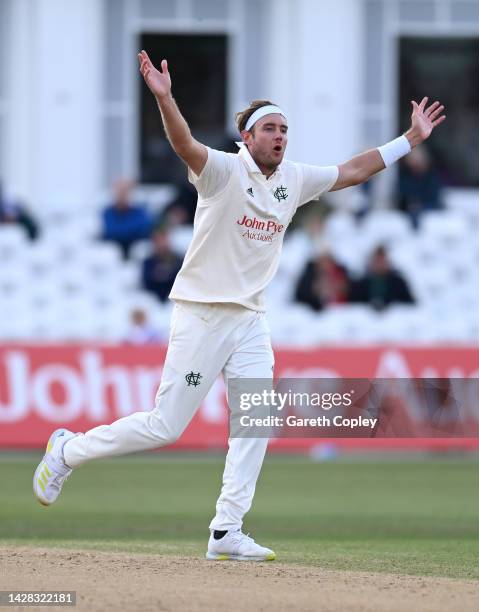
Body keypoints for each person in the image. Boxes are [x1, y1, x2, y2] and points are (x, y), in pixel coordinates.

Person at [33, 50, 446, 561]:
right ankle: (67, 450)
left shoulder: (294, 179)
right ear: (246, 137)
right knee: (166, 426)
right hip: (202, 313)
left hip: (250, 319)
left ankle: (226, 530)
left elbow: (353, 171)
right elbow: (184, 144)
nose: (279, 136)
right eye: (269, 128)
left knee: (255, 420)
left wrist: (409, 139)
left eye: (284, 129)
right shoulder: (223, 172)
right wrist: (165, 98)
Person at [350, 245, 414, 310]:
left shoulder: (398, 283)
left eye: (382, 261)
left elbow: (410, 306)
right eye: (377, 261)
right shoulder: (361, 284)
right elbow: (352, 306)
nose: (379, 264)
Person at [101, 178, 153, 258]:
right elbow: (111, 230)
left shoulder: (139, 211)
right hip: (115, 249)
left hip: (135, 247)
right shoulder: (108, 212)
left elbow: (143, 228)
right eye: (119, 192)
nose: (122, 195)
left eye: (125, 192)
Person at [397, 145, 444, 228]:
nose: (415, 161)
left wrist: (420, 206)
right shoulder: (404, 176)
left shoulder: (432, 177)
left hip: (430, 214)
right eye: (412, 158)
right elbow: (401, 197)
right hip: (407, 214)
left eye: (417, 158)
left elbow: (435, 200)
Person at [141, 227, 183, 302]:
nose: (161, 244)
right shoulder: (148, 262)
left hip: (176, 299)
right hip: (153, 300)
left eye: (163, 239)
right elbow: (146, 283)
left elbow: (182, 280)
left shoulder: (179, 260)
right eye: (158, 240)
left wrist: (167, 274)